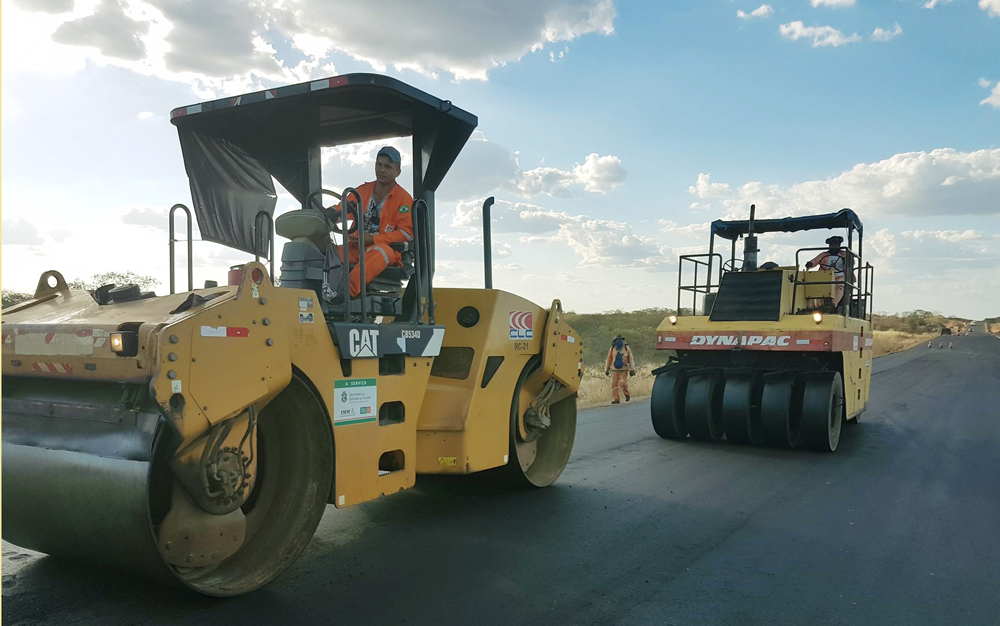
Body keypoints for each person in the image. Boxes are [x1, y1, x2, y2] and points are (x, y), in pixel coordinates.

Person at [322, 146, 414, 302]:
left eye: (388, 167)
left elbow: (406, 233)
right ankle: (315, 293)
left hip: (387, 251)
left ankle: (345, 294)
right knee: (325, 253)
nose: (382, 170)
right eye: (379, 165)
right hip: (356, 248)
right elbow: (342, 210)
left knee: (379, 250)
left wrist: (374, 239)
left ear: (397, 172)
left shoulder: (404, 199)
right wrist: (329, 214)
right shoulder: (362, 191)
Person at [805, 235, 848, 308]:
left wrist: (846, 261)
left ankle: (833, 304)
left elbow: (851, 262)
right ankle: (819, 306)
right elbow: (815, 260)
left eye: (835, 244)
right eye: (831, 244)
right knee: (817, 286)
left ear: (839, 245)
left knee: (841, 285)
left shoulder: (844, 254)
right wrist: (810, 263)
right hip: (824, 276)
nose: (833, 246)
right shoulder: (823, 255)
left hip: (839, 276)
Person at [605, 334, 636, 405]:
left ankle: (626, 394)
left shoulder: (626, 348)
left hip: (624, 369)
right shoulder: (612, 348)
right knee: (614, 385)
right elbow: (609, 359)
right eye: (617, 340)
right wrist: (607, 369)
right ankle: (616, 399)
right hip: (614, 370)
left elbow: (630, 359)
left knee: (623, 384)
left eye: (620, 339)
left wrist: (632, 369)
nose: (619, 341)